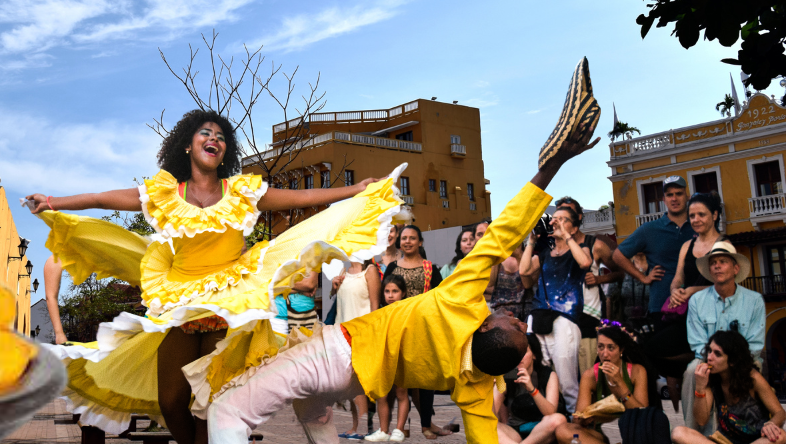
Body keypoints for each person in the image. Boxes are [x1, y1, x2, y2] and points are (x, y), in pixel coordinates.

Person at [204, 108, 602, 444]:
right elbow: (483, 437)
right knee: (315, 410)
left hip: (338, 354)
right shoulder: (477, 385)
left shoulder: (460, 302)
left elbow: (505, 231)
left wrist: (554, 161)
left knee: (227, 410)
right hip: (355, 382)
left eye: (509, 322)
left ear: (484, 329)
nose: (515, 317)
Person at [25, 110, 406, 443]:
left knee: (211, 401)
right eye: (206, 133)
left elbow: (301, 198)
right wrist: (56, 202)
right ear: (188, 146)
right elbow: (105, 198)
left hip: (229, 300)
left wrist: (353, 191)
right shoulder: (165, 192)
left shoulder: (240, 191)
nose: (214, 139)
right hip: (181, 298)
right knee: (171, 399)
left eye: (221, 137)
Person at [681, 240, 767, 435]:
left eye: (723, 261)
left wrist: (729, 363)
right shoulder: (697, 301)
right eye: (713, 263)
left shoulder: (754, 301)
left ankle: (752, 430)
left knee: (756, 370)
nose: (717, 266)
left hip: (743, 362)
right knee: (692, 370)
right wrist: (716, 362)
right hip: (708, 360)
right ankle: (692, 433)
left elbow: (754, 344)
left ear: (735, 268)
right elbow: (697, 342)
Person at [656, 192, 727, 410]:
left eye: (701, 215)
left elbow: (726, 287)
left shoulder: (724, 245)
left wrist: (693, 290)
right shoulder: (687, 245)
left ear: (714, 215)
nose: (695, 220)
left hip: (714, 318)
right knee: (651, 348)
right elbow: (677, 278)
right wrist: (676, 291)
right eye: (692, 215)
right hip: (685, 315)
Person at [520, 204, 593, 410]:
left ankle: (573, 424)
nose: (556, 222)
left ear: (574, 227)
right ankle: (544, 416)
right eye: (554, 219)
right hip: (538, 317)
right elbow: (524, 271)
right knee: (540, 371)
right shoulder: (545, 254)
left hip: (565, 320)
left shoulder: (580, 250)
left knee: (567, 379)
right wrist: (531, 241)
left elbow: (585, 263)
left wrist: (567, 237)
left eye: (563, 219)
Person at [381, 225, 448, 438]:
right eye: (404, 238)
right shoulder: (391, 267)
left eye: (412, 238)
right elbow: (384, 298)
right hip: (398, 330)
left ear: (420, 242)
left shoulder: (431, 269)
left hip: (422, 329)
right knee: (401, 380)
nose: (407, 241)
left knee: (424, 379)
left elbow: (440, 299)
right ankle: (402, 426)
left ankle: (426, 424)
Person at [671, 331, 785, 444]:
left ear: (733, 361)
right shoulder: (711, 378)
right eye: (710, 351)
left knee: (781, 436)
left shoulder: (752, 377)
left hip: (757, 439)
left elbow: (780, 412)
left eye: (717, 354)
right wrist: (700, 387)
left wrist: (771, 424)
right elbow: (701, 420)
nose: (709, 357)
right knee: (678, 433)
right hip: (724, 440)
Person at [557, 196, 623, 380]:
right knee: (565, 377)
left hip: (588, 317)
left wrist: (599, 279)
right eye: (560, 212)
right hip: (561, 317)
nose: (563, 217)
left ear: (578, 217)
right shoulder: (553, 248)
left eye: (568, 212)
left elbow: (620, 273)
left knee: (589, 374)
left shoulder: (596, 245)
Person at [554, 324, 654, 444]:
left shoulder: (637, 371)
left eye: (611, 348)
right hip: (602, 436)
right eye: (601, 347)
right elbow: (578, 422)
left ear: (621, 350)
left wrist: (620, 384)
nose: (604, 354)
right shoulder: (590, 375)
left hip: (631, 434)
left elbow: (642, 416)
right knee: (563, 430)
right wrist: (583, 418)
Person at [610, 176, 696, 313]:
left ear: (687, 196)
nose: (674, 198)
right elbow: (618, 255)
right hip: (662, 305)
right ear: (664, 200)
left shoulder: (697, 226)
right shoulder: (649, 229)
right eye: (669, 195)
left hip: (697, 304)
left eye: (679, 194)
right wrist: (642, 278)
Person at [332, 260, 382, 440]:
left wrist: (371, 334)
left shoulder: (370, 271)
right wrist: (334, 286)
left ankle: (362, 427)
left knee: (358, 383)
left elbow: (375, 305)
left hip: (361, 334)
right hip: (342, 333)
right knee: (349, 384)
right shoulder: (343, 270)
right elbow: (340, 302)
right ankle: (355, 425)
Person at [495, 335, 566, 444]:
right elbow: (491, 415)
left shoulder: (547, 375)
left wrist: (532, 389)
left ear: (534, 355)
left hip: (542, 432)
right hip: (515, 433)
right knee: (487, 425)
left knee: (558, 419)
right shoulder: (507, 376)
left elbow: (550, 412)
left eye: (523, 352)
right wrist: (493, 387)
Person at [366, 274, 412, 442]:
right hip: (383, 357)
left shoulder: (407, 311)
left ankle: (399, 429)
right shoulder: (380, 312)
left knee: (401, 392)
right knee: (382, 395)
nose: (391, 295)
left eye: (395, 291)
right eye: (387, 291)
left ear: (403, 293)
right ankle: (383, 430)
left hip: (401, 357)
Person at [489, 246, 527, 319]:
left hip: (523, 309)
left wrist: (519, 256)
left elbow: (527, 284)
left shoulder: (527, 255)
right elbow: (490, 283)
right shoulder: (498, 257)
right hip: (500, 311)